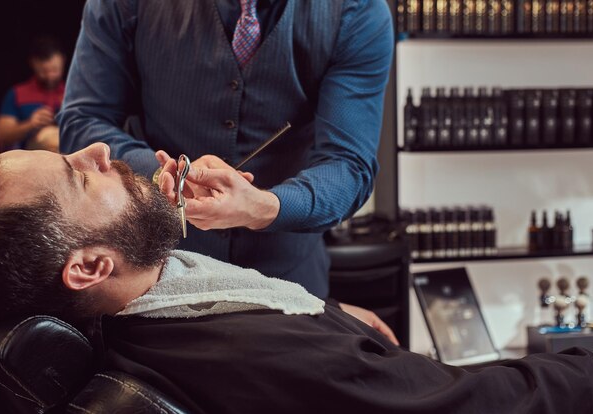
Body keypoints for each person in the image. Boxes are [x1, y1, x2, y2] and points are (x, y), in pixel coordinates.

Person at [0, 145, 593, 414]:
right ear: (90, 267)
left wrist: (323, 311)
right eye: (78, 176)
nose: (98, 149)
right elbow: (475, 407)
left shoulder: (130, 308)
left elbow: (349, 159)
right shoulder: (264, 355)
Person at [57, 0, 396, 339]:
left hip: (289, 281)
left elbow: (349, 165)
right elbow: (84, 120)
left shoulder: (357, 10)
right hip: (155, 278)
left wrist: (265, 207)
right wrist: (169, 175)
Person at [0, 36, 65, 152]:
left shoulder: (72, 93)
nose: (50, 76)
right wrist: (30, 124)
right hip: (28, 155)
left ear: (63, 61)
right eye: (44, 71)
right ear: (33, 64)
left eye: (55, 70)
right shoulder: (17, 93)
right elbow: (1, 135)